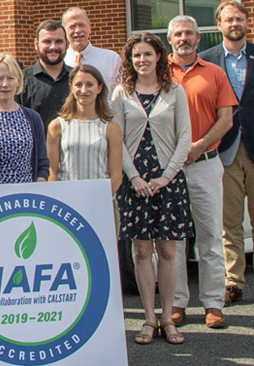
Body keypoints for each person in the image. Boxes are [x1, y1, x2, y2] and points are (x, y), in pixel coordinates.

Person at [200, 1, 254, 309]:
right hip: (225, 151)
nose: (234, 23)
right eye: (228, 19)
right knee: (230, 224)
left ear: (246, 22)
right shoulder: (206, 60)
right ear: (219, 25)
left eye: (239, 18)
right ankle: (233, 283)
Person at [111, 32, 193, 345]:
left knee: (169, 250)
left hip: (167, 181)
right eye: (136, 56)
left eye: (147, 54)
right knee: (142, 250)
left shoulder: (175, 91)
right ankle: (148, 318)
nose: (142, 60)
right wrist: (133, 177)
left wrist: (167, 176)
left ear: (159, 56)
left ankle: (169, 318)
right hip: (136, 183)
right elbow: (117, 140)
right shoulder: (122, 93)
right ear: (130, 61)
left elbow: (184, 137)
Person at [165, 15, 239, 329]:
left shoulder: (215, 73)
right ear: (170, 40)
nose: (183, 38)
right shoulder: (158, 73)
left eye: (189, 34)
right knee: (174, 241)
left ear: (198, 38)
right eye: (178, 34)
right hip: (169, 169)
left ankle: (213, 302)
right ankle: (177, 302)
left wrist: (198, 146)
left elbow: (226, 120)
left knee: (209, 238)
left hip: (206, 163)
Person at [0, 53, 50, 184]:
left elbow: (42, 162)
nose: (5, 84)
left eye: (10, 78)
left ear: (18, 81)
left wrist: (40, 181)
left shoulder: (33, 118)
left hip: (27, 196)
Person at [46, 64, 123, 193]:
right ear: (71, 87)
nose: (83, 90)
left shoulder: (111, 128)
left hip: (99, 200)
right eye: (78, 85)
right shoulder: (57, 126)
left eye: (89, 85)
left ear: (99, 88)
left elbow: (116, 177)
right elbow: (52, 172)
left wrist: (99, 199)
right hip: (67, 201)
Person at [17, 19, 72, 128]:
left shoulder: (78, 79)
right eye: (47, 42)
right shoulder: (20, 81)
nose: (53, 47)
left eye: (59, 41)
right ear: (36, 44)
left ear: (67, 43)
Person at [62, 7, 121, 94]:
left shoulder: (111, 59)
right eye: (72, 26)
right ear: (64, 31)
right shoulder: (60, 62)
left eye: (82, 25)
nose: (78, 30)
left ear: (90, 28)